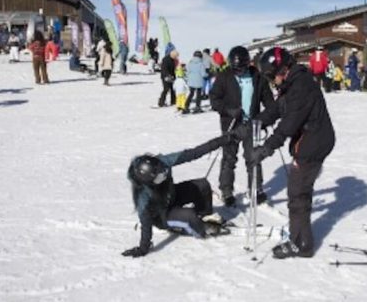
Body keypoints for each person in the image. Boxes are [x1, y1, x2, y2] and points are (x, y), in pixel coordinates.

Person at [243, 46, 335, 259]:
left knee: (297, 193)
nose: (270, 81)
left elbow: (289, 124)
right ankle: (300, 236)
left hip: (314, 143)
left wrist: (266, 149)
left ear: (282, 70)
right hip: (312, 139)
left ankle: (301, 244)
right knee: (299, 188)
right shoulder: (293, 82)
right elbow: (277, 109)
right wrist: (257, 121)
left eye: (270, 76)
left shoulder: (300, 86)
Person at [122, 134, 235, 258]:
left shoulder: (162, 162)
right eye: (159, 176)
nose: (164, 174)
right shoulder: (143, 197)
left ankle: (205, 215)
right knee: (189, 216)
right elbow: (146, 225)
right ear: (149, 181)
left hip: (172, 196)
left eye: (163, 171)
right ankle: (203, 229)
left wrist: (222, 141)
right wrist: (143, 249)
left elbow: (193, 153)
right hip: (163, 215)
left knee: (202, 185)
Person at [210, 46, 275, 207]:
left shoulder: (257, 77)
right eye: (235, 69)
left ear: (248, 64)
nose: (238, 72)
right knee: (229, 157)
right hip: (231, 123)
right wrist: (228, 110)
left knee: (253, 157)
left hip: (251, 123)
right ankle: (226, 190)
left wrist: (269, 117)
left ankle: (256, 188)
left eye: (241, 69)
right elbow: (214, 99)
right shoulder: (224, 76)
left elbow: (268, 100)